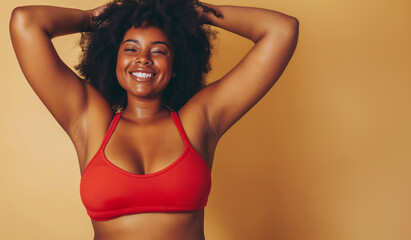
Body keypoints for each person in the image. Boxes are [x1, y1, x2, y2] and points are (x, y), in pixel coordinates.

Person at [10, 0, 298, 239]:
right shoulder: (90, 119)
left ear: (175, 66)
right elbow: (25, 22)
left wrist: (196, 12)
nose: (143, 59)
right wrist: (97, 18)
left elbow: (282, 30)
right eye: (131, 49)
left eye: (158, 51)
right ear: (115, 61)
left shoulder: (199, 119)